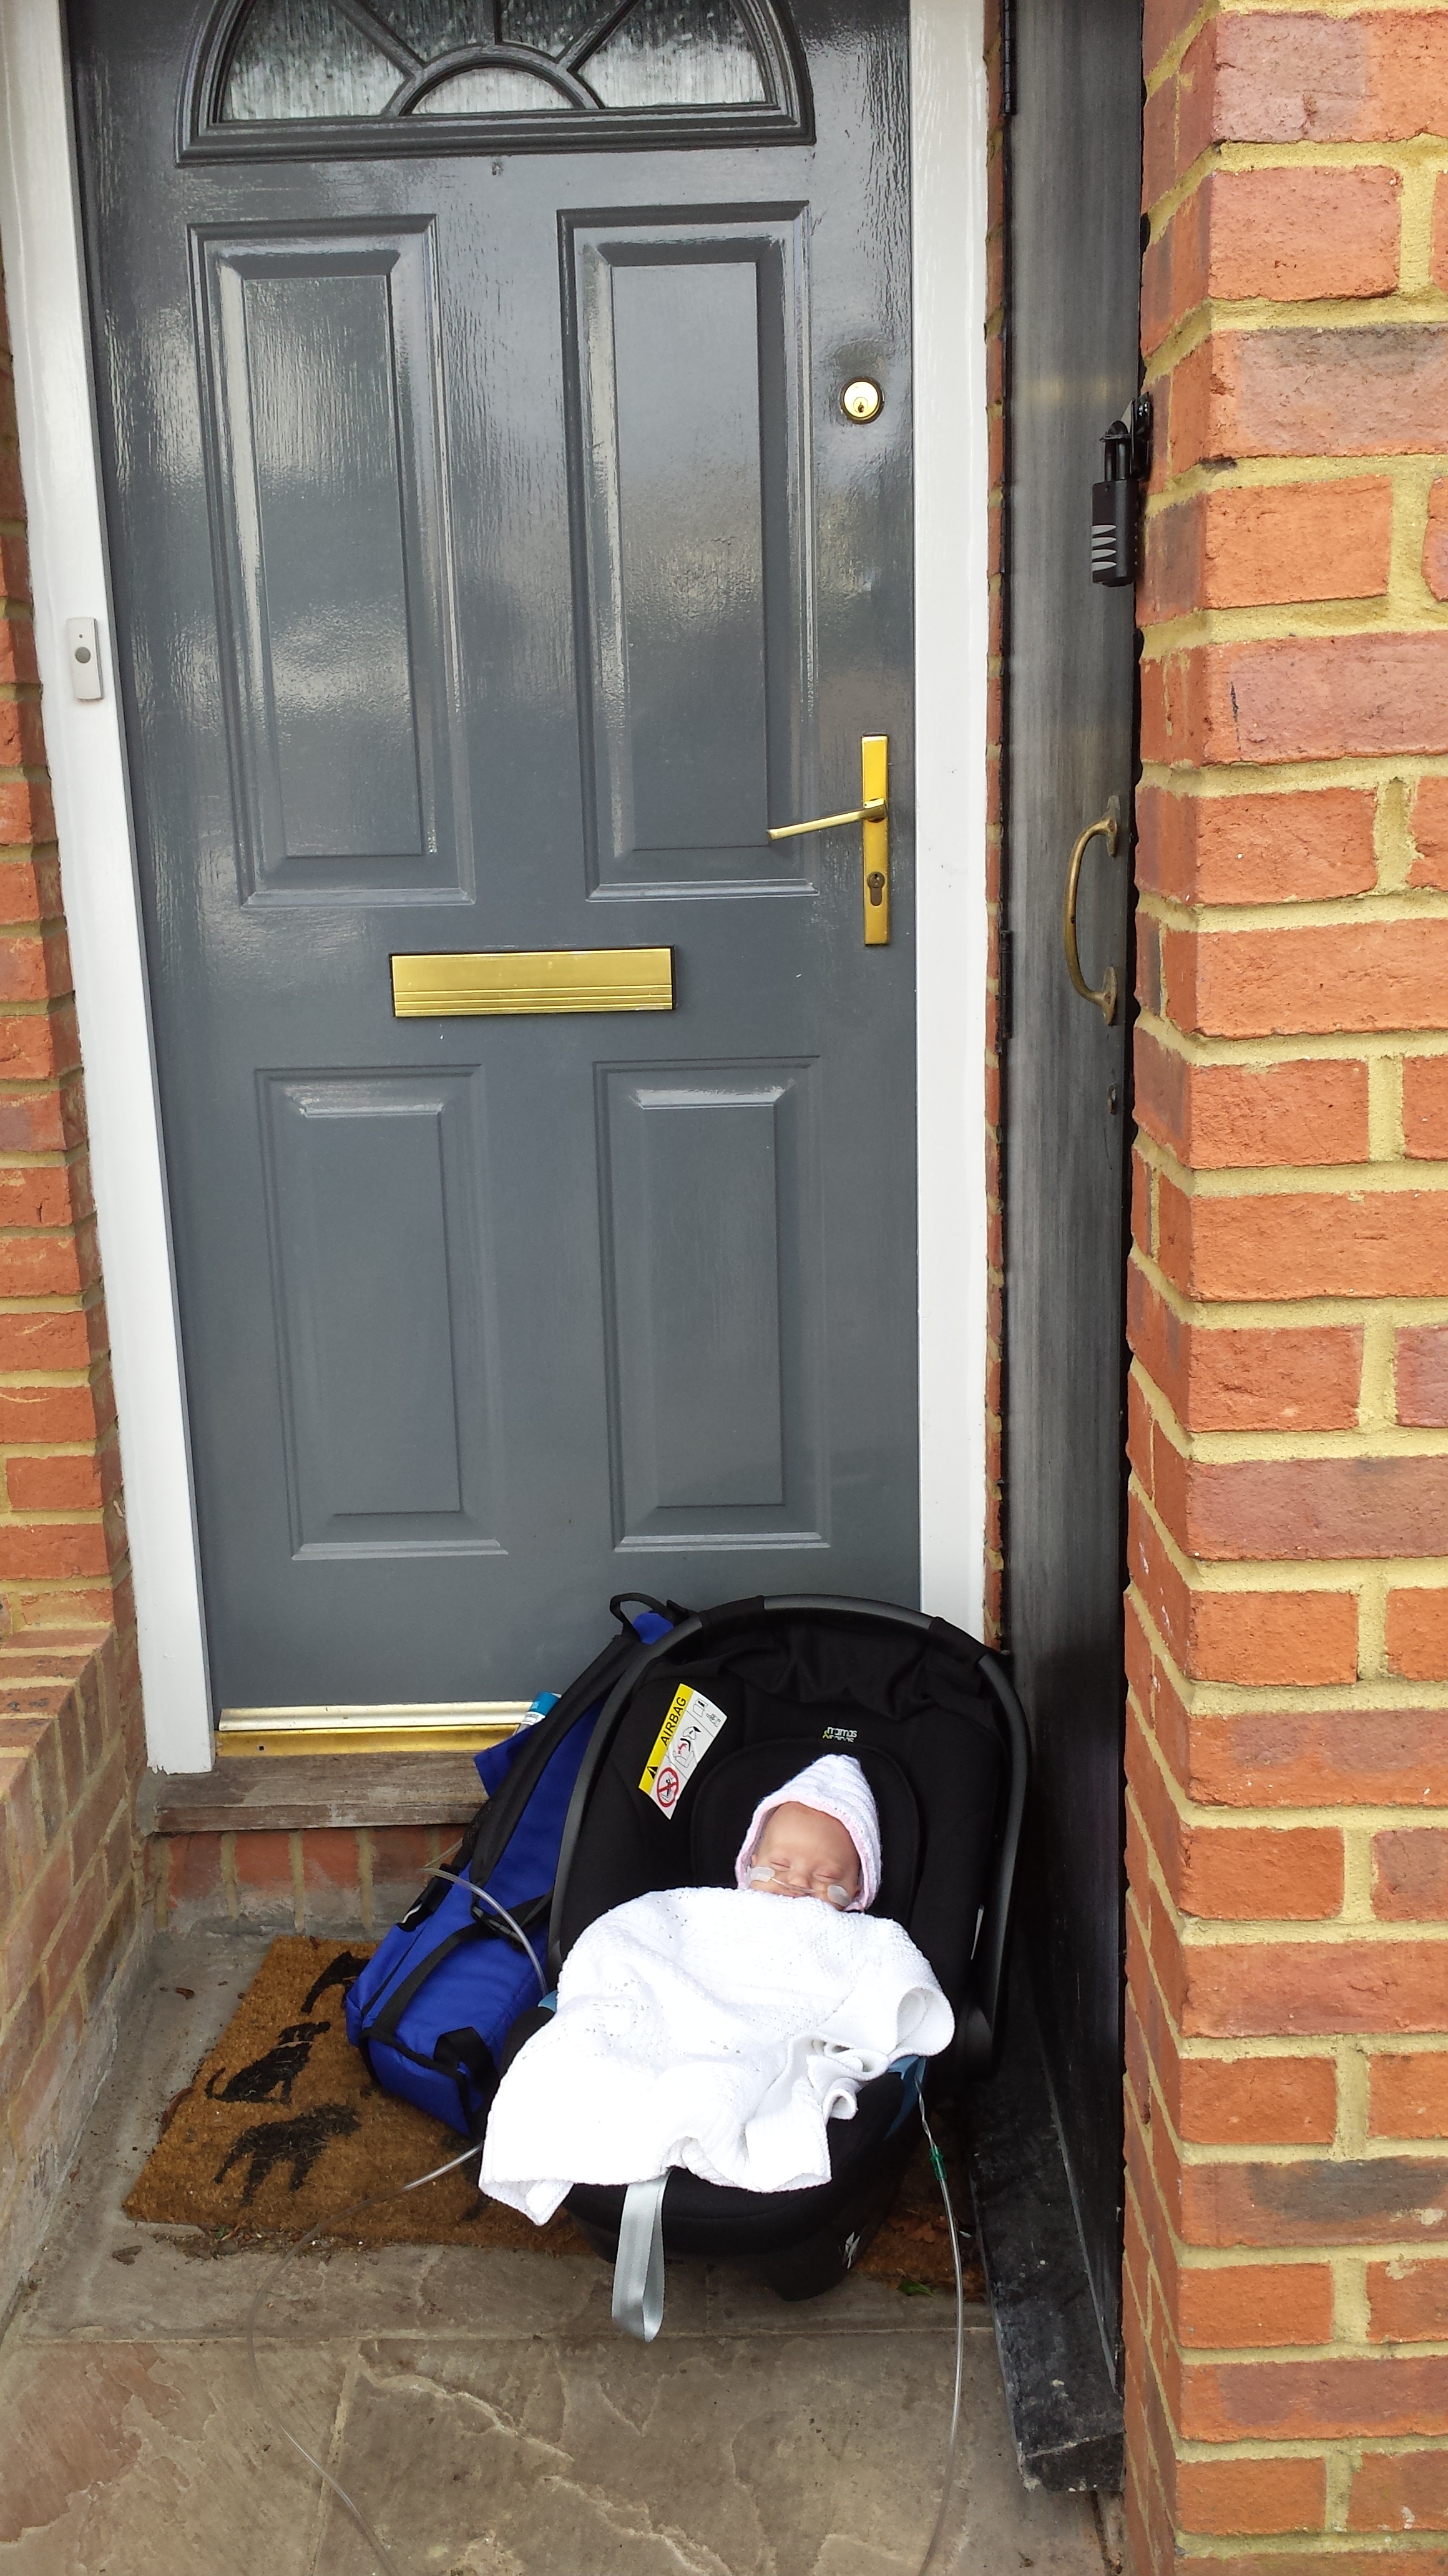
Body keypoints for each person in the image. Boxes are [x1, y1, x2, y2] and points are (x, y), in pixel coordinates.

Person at [480, 1752, 951, 2219]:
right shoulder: (703, 1908)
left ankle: (703, 2113)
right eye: (780, 1865)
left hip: (772, 2038)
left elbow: (901, 1985)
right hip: (676, 2012)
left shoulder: (865, 1936)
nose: (797, 1883)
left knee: (726, 2086)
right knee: (593, 2050)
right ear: (751, 1862)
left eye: (827, 1877)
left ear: (859, 1890)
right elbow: (628, 1934)